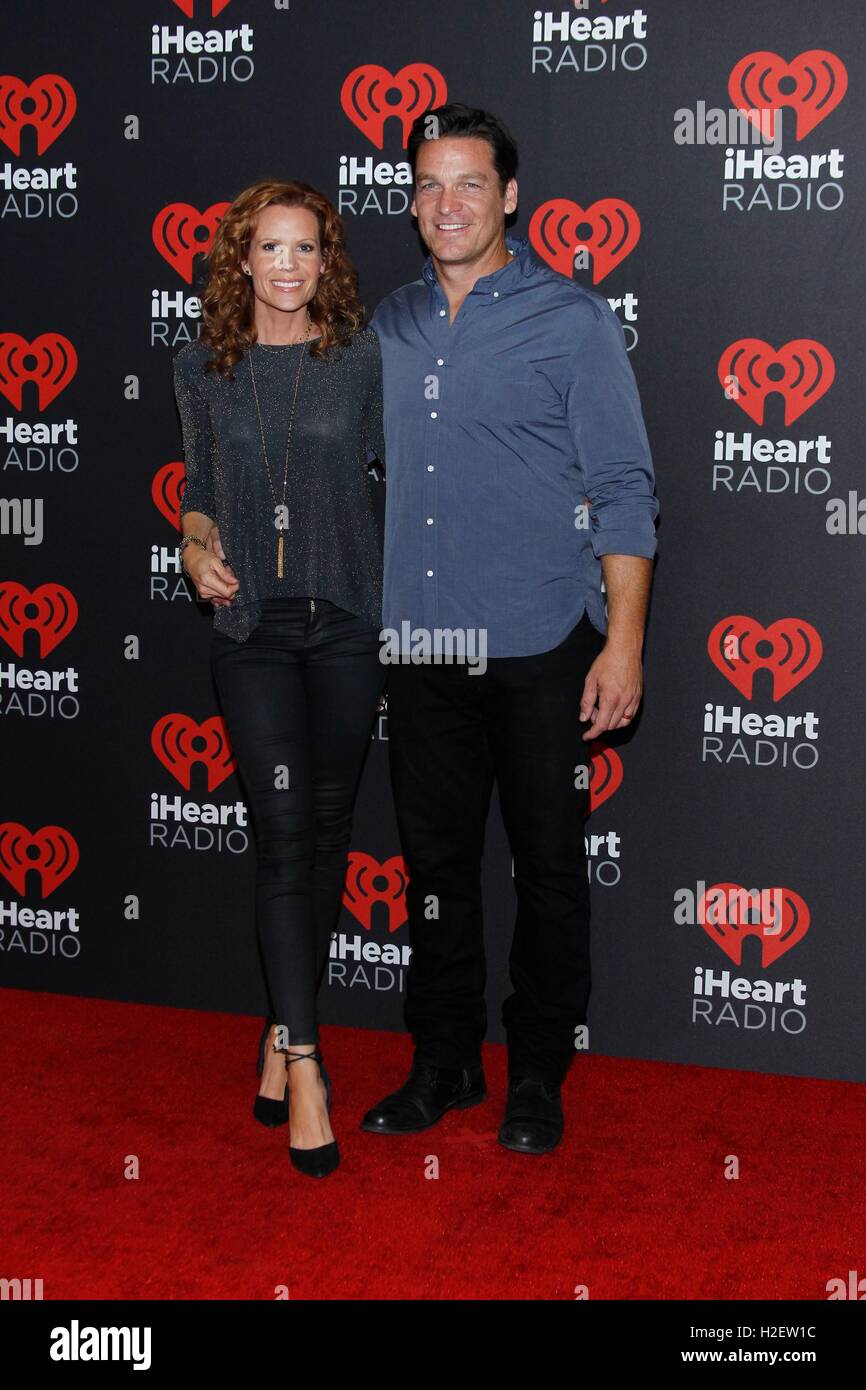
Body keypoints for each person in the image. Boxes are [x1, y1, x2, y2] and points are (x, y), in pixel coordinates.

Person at [361, 105, 659, 1155]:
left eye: (470, 184)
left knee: (547, 868)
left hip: (540, 640)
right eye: (430, 186)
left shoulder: (571, 319)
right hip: (422, 644)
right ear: (409, 200)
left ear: (509, 197)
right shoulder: (384, 323)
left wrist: (621, 641)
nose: (449, 204)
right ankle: (442, 1061)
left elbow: (623, 485)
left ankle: (536, 1068)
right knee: (434, 871)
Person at [173, 179, 385, 1178]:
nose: (289, 265)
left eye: (307, 248)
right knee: (284, 840)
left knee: (329, 839)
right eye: (271, 248)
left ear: (324, 262)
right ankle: (305, 1063)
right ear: (242, 261)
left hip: (346, 624)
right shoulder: (203, 369)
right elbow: (201, 498)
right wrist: (191, 548)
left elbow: (410, 481)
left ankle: (275, 1028)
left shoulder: (362, 361)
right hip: (252, 631)